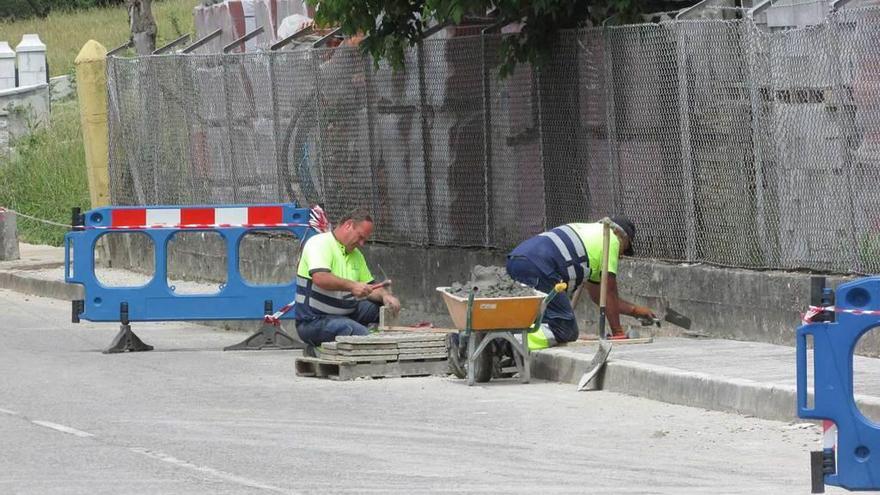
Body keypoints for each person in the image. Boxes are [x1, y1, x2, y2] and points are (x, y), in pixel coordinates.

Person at [505, 216, 655, 350]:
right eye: (625, 249)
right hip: (541, 266)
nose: (622, 256)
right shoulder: (610, 239)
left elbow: (599, 296)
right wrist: (618, 334)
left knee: (536, 319)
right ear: (621, 235)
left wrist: (635, 311)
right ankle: (510, 343)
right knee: (565, 329)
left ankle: (504, 343)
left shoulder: (588, 232)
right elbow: (609, 293)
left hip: (517, 260)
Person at [294, 208, 400, 355]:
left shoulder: (357, 255)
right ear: (349, 225)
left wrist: (385, 296)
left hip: (346, 314)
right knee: (354, 331)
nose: (362, 243)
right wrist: (352, 286)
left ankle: (364, 340)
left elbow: (370, 287)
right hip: (314, 322)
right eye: (360, 237)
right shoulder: (319, 243)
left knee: (383, 309)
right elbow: (320, 278)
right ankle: (321, 348)